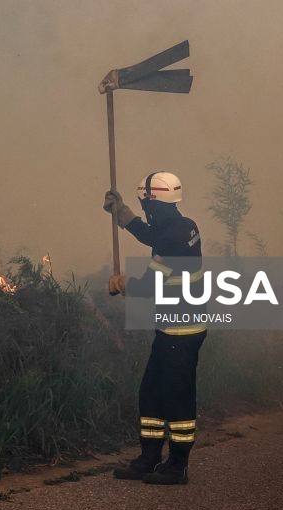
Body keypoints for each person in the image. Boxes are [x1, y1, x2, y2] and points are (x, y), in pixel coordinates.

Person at [103, 171, 206, 485]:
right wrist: (122, 215)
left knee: (176, 397)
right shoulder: (184, 225)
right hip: (173, 329)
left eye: (144, 204)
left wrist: (122, 283)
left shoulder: (171, 240)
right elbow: (151, 235)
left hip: (181, 332)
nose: (143, 209)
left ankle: (177, 466)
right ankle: (149, 458)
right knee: (151, 393)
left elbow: (149, 286)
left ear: (154, 203)